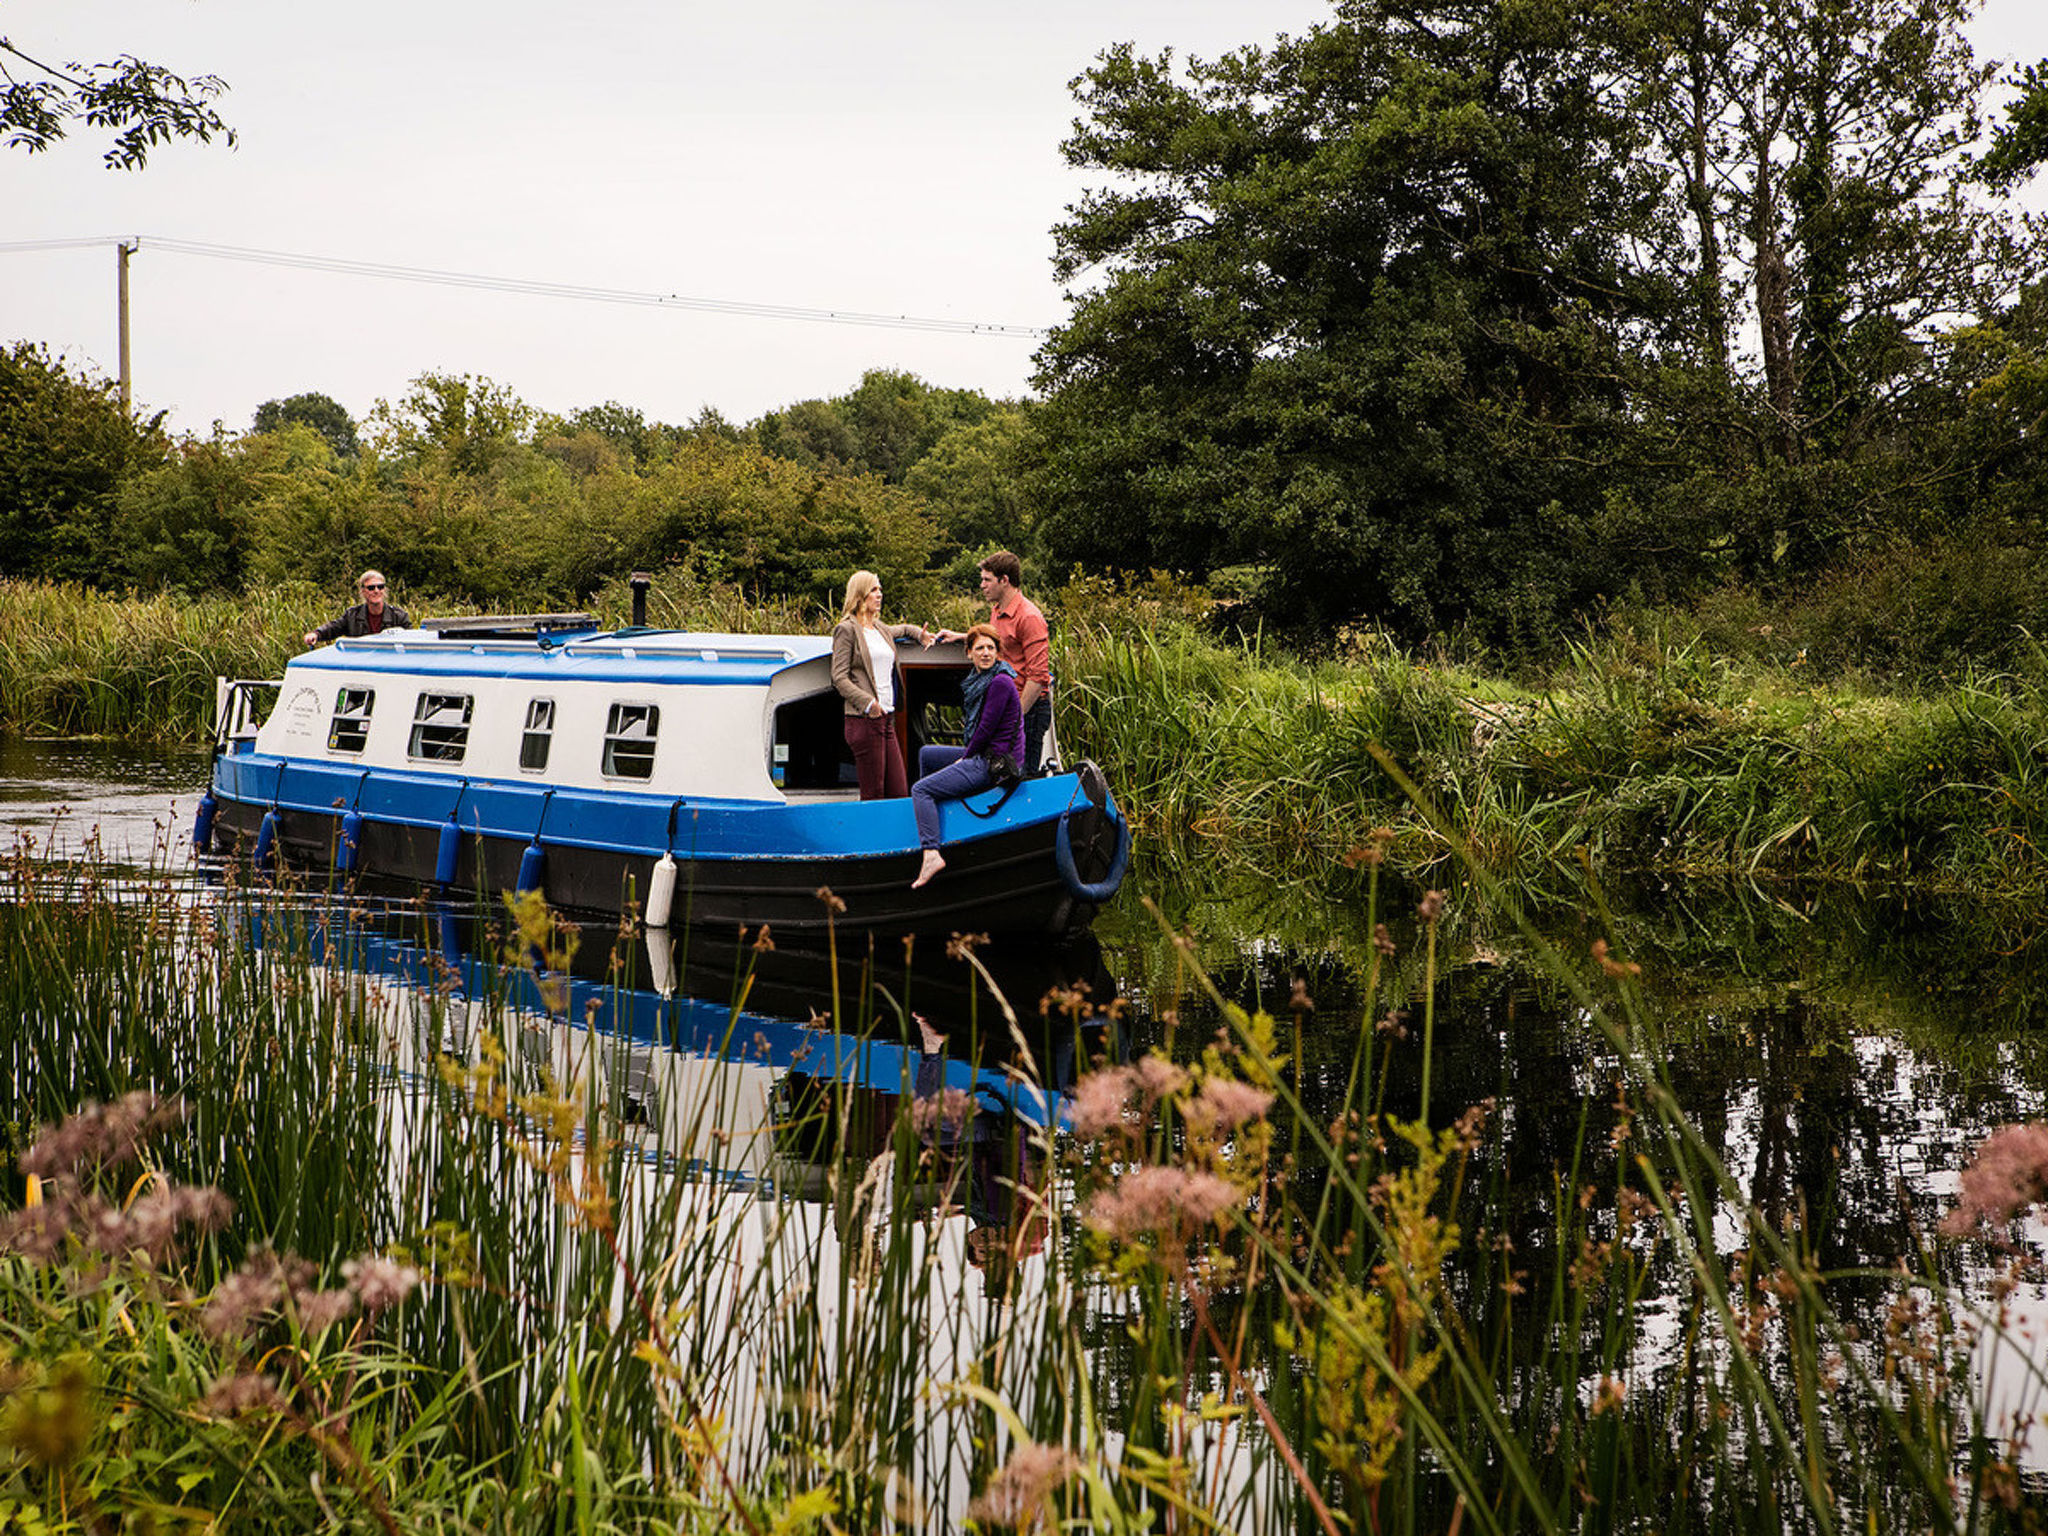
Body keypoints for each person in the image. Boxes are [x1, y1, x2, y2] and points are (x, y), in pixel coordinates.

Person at [910, 624, 1022, 889]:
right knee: (927, 754)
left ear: (998, 653)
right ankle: (933, 819)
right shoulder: (979, 681)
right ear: (969, 652)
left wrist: (966, 757)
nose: (986, 653)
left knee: (920, 790)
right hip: (984, 753)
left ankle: (931, 852)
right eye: (980, 648)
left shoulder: (1000, 682)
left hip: (994, 762)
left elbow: (985, 728)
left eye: (991, 649)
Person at [939, 550, 1052, 774]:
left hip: (1028, 709)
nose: (982, 585)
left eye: (986, 580)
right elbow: (1000, 644)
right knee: (999, 774)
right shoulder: (998, 610)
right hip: (1008, 704)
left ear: (1004, 580)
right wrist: (961, 637)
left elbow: (1038, 677)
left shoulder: (1029, 617)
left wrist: (1014, 719)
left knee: (1020, 777)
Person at [830, 569, 934, 801]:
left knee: (898, 790)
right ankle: (870, 837)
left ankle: (897, 837)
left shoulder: (880, 629)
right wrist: (869, 703)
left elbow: (905, 629)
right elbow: (838, 677)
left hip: (887, 719)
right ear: (860, 594)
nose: (880, 595)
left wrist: (921, 635)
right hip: (864, 720)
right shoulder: (846, 630)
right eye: (874, 590)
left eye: (880, 590)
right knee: (874, 793)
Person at [303, 570, 410, 647]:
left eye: (380, 587)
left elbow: (411, 641)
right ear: (363, 591)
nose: (376, 591)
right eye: (371, 588)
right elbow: (334, 627)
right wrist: (316, 634)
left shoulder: (400, 616)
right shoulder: (351, 615)